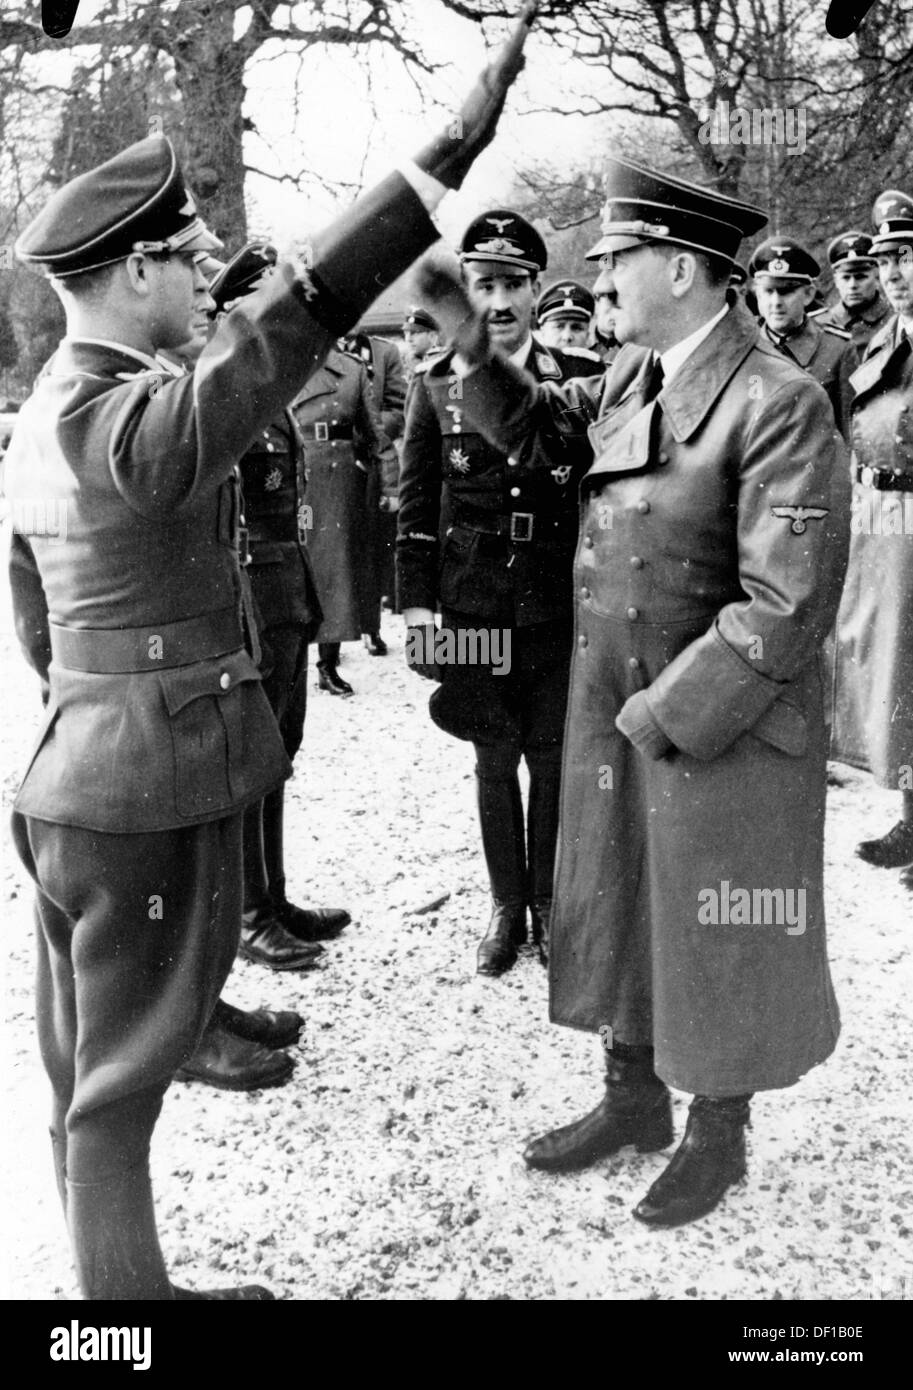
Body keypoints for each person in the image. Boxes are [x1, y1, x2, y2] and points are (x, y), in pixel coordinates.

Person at [3, 3, 534, 1299]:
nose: (203, 277)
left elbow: (33, 620)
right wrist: (438, 163)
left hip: (75, 776)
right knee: (114, 1094)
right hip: (145, 796)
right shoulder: (129, 418)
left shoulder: (40, 423)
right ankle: (123, 1320)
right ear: (132, 276)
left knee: (87, 1070)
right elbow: (268, 346)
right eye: (186, 259)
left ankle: (109, 1304)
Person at [417, 155, 850, 1226]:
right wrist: (468, 342)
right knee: (618, 893)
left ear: (688, 271)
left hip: (717, 721)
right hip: (619, 698)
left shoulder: (778, 402)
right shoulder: (630, 378)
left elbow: (784, 603)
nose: (600, 277)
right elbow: (534, 430)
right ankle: (632, 1097)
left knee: (714, 918)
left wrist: (665, 712)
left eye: (621, 258)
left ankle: (717, 1132)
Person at [397, 209, 602, 976]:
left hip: (555, 599)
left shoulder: (580, 382)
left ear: (536, 286)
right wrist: (419, 615)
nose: (499, 300)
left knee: (550, 757)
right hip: (472, 605)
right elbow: (415, 510)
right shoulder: (433, 387)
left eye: (513, 283)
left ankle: (548, 903)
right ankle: (504, 907)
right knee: (492, 755)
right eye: (482, 284)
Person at [208, 243, 351, 968]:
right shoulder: (218, 387)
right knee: (251, 762)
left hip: (285, 594)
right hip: (250, 607)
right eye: (267, 299)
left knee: (280, 754)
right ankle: (248, 915)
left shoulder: (268, 385)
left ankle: (275, 896)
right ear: (234, 306)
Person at [831, 189, 913, 883]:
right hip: (884, 524)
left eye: (905, 256)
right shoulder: (881, 341)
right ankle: (911, 816)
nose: (891, 272)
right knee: (895, 666)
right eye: (885, 259)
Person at [293, 342, 385, 696]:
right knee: (297, 568)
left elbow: (374, 430)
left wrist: (390, 484)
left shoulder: (351, 369)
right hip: (296, 476)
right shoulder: (281, 361)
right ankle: (291, 663)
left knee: (336, 571)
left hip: (338, 479)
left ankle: (327, 664)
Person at [749, 237, 858, 438]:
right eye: (768, 291)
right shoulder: (744, 346)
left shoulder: (837, 349)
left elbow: (850, 430)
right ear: (757, 295)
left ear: (808, 294)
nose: (776, 302)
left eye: (786, 292)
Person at [342, 328, 407, 654]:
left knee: (369, 549)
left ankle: (371, 628)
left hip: (371, 462)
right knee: (331, 550)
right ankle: (332, 639)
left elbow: (398, 407)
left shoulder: (384, 352)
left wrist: (367, 428)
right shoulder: (314, 343)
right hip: (330, 461)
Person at [814, 230, 892, 352]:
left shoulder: (895, 319)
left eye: (860, 277)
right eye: (845, 277)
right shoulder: (819, 325)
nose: (852, 285)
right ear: (836, 281)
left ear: (877, 276)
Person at [535, 279, 600, 357]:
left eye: (577, 328)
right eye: (559, 326)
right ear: (543, 332)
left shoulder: (601, 368)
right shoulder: (524, 368)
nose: (567, 336)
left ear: (587, 335)